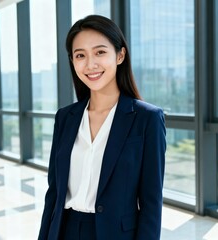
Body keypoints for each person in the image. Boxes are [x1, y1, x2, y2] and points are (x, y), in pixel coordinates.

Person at [38, 14, 166, 240]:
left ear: (120, 55)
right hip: (65, 230)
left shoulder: (147, 119)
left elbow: (151, 203)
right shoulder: (65, 117)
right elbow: (54, 193)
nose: (90, 64)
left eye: (100, 52)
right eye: (80, 55)